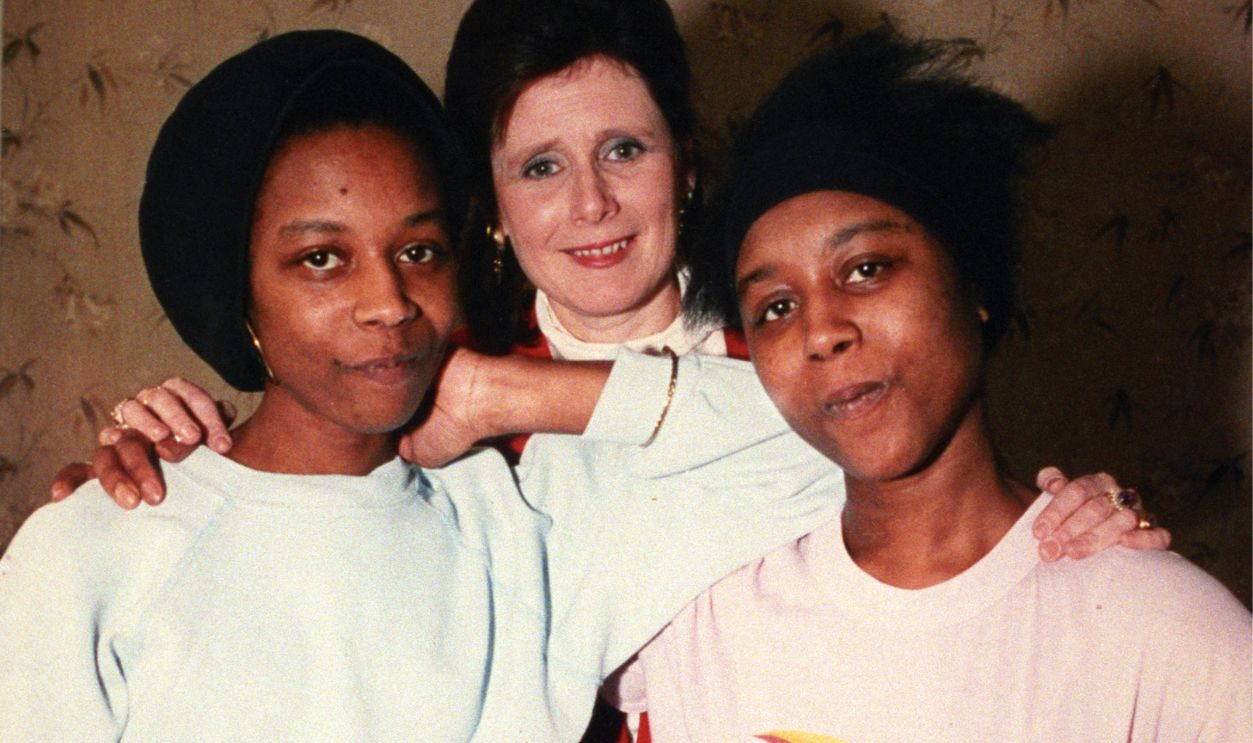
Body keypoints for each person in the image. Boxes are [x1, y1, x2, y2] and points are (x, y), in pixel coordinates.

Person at [0, 30, 850, 741]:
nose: (387, 303)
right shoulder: (93, 551)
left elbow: (831, 438)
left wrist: (505, 394)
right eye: (321, 259)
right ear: (239, 290)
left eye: (417, 252)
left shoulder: (523, 525)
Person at [598, 29, 1252, 741]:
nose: (821, 331)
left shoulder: (1159, 630)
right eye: (775, 308)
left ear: (972, 282)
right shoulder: (700, 618)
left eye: (865, 269)